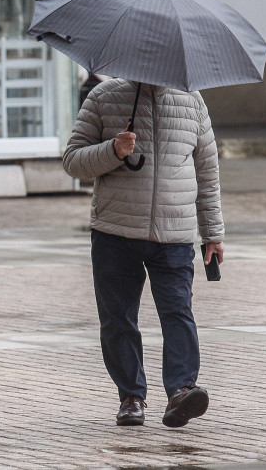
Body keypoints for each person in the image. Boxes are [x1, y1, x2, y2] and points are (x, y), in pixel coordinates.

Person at [62, 78, 225, 428]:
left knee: (178, 311)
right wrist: (113, 151)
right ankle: (131, 396)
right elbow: (73, 161)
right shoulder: (103, 97)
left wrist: (212, 232)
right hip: (115, 231)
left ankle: (181, 391)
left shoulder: (192, 102)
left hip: (175, 232)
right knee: (118, 317)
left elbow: (207, 171)